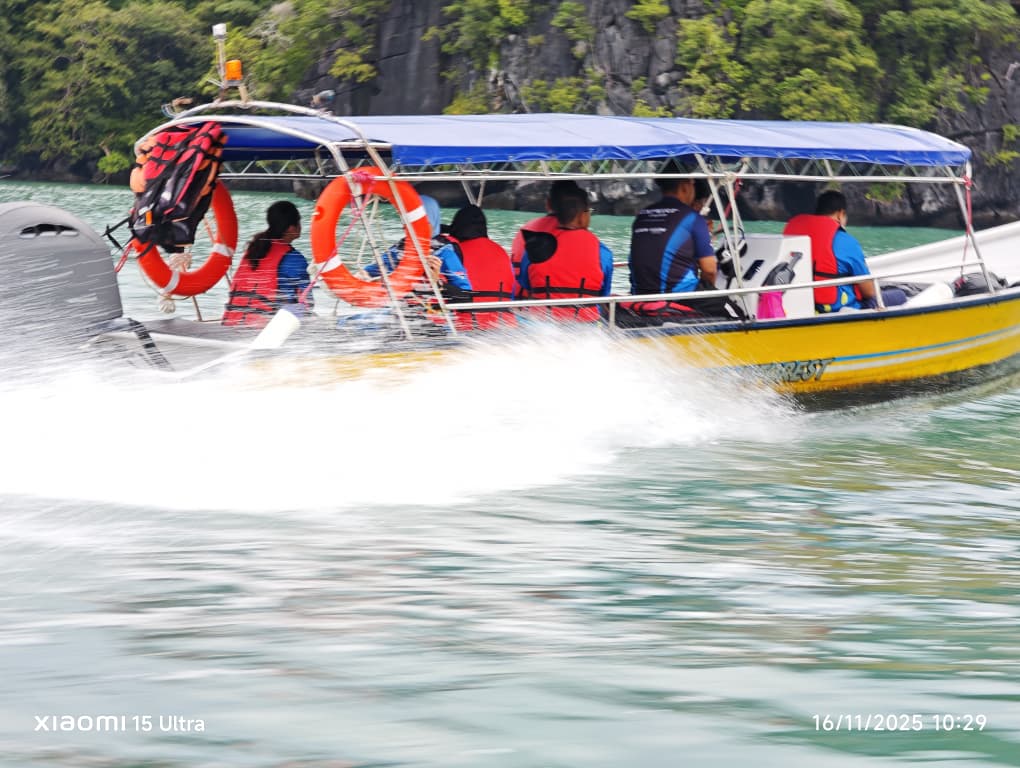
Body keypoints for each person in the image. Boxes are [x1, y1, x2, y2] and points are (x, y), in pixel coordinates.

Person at [783, 190, 906, 313]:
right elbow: (869, 292)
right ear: (840, 214)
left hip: (802, 303)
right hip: (835, 308)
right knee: (900, 295)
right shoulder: (847, 242)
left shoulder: (796, 235)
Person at [515, 184, 614, 322]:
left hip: (540, 323)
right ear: (582, 215)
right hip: (586, 323)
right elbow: (604, 292)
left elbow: (526, 282)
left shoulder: (536, 246)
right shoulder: (601, 251)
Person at [223, 200, 312, 327]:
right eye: (299, 222)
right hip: (267, 329)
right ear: (291, 228)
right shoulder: (294, 259)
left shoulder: (253, 250)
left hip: (233, 322)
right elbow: (307, 302)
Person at [629, 170, 717, 296]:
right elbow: (710, 270)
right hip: (678, 296)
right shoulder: (692, 218)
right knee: (728, 306)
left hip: (639, 295)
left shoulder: (642, 216)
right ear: (685, 186)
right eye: (692, 183)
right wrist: (709, 291)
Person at [362, 194, 471, 295]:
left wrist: (437, 282)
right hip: (397, 305)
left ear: (433, 222)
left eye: (423, 223)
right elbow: (366, 273)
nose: (416, 227)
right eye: (410, 222)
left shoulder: (445, 254)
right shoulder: (397, 251)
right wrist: (368, 278)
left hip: (432, 307)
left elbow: (466, 295)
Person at [447, 204, 517, 329]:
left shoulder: (452, 253)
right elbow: (512, 291)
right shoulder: (502, 252)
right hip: (506, 326)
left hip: (469, 327)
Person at [510, 179, 585, 276]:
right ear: (578, 207)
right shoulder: (583, 239)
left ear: (548, 204)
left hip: (521, 283)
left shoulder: (525, 230)